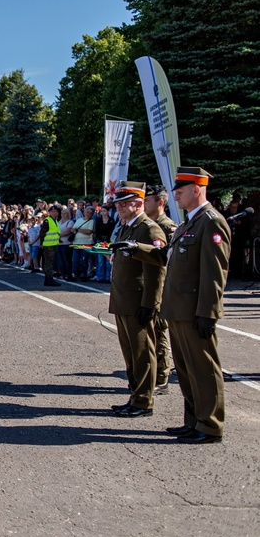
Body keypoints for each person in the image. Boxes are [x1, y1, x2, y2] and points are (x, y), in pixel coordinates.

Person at [114, 166, 230, 443]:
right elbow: (167, 257)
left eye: (179, 191)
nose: (174, 196)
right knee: (188, 371)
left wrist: (208, 312)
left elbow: (215, 272)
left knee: (204, 369)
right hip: (178, 309)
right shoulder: (191, 222)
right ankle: (194, 421)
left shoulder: (211, 221)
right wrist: (137, 248)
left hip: (194, 311)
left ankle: (211, 425)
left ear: (196, 190)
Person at [108, 181, 166, 418]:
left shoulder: (149, 229)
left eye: (125, 203)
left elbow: (157, 270)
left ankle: (143, 401)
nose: (119, 207)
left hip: (138, 302)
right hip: (124, 300)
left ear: (139, 203)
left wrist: (150, 304)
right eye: (118, 203)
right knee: (130, 353)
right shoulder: (126, 227)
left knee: (143, 353)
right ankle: (135, 395)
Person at [143, 184, 178, 394]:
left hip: (162, 286)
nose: (144, 204)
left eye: (148, 200)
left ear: (160, 202)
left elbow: (170, 259)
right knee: (151, 330)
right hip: (149, 283)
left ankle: (162, 377)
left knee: (158, 330)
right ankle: (154, 373)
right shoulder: (149, 223)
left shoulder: (167, 226)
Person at [70, 206, 95, 281]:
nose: (88, 214)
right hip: (76, 242)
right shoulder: (79, 220)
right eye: (87, 212)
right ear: (84, 212)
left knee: (85, 260)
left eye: (90, 213)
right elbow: (73, 229)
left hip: (86, 243)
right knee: (75, 260)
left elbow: (89, 232)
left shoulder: (91, 221)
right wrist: (78, 230)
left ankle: (84, 275)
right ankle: (74, 274)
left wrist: (78, 230)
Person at [39, 205, 61, 286]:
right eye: (52, 211)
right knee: (49, 263)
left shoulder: (56, 220)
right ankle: (49, 279)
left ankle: (48, 279)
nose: (54, 212)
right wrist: (41, 243)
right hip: (48, 245)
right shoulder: (47, 221)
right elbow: (42, 233)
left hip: (54, 244)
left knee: (50, 262)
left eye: (55, 211)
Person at [93, 206, 117, 282]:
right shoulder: (98, 220)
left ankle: (108, 277)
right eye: (101, 211)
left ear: (108, 211)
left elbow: (112, 231)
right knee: (100, 260)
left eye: (104, 211)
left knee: (108, 260)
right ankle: (100, 277)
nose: (103, 213)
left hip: (108, 241)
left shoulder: (111, 220)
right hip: (100, 241)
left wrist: (107, 240)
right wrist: (101, 240)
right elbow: (96, 231)